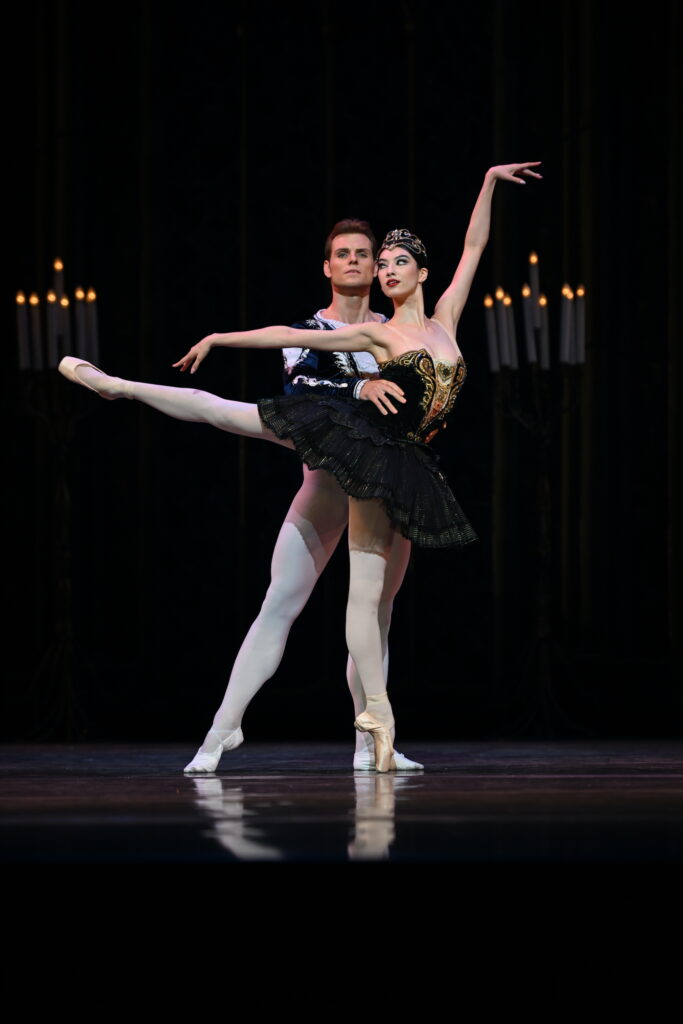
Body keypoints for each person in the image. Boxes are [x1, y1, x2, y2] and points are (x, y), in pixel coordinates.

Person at [59, 161, 541, 771]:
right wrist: (346, 387)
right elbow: (301, 378)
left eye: (374, 255)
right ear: (329, 264)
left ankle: (372, 742)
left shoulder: (409, 322)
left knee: (376, 611)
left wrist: (489, 181)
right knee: (279, 595)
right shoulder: (325, 331)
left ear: (398, 267)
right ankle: (219, 732)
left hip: (389, 475)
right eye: (349, 254)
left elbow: (473, 250)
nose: (365, 264)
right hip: (326, 468)